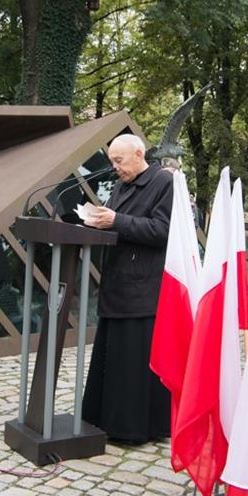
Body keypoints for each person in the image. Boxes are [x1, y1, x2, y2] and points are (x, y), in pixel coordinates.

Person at [81, 133, 173, 443]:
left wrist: (117, 220)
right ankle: (104, 420)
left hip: (141, 289)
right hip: (117, 284)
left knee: (133, 364)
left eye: (119, 161)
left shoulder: (164, 182)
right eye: (112, 162)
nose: (115, 168)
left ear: (138, 153)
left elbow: (163, 230)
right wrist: (96, 221)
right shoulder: (121, 186)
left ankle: (131, 429)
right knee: (113, 361)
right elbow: (116, 222)